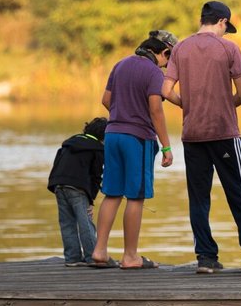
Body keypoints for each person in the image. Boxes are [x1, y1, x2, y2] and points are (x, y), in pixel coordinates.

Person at [163, 1, 241, 274]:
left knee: (198, 198)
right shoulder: (228, 48)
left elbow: (166, 90)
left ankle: (206, 257)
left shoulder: (180, 48)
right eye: (227, 27)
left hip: (192, 135)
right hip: (224, 132)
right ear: (223, 22)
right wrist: (227, 105)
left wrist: (187, 105)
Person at [90, 30, 177, 270]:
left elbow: (106, 100)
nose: (167, 66)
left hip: (113, 134)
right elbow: (156, 111)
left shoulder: (120, 64)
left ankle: (99, 250)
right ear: (163, 53)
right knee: (136, 196)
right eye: (169, 60)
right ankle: (130, 256)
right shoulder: (152, 72)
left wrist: (124, 112)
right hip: (137, 138)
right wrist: (167, 146)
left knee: (112, 193)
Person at [48, 116, 107, 266]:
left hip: (58, 184)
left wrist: (55, 184)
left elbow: (57, 162)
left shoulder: (69, 143)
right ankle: (92, 256)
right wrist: (91, 200)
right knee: (85, 222)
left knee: (66, 222)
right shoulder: (98, 149)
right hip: (77, 188)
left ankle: (72, 258)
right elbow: (96, 176)